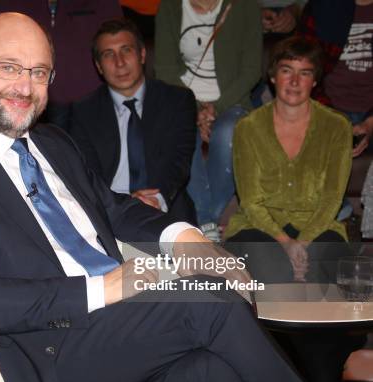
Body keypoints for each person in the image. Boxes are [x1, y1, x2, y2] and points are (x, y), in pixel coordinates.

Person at [0, 13, 320, 382]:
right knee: (210, 299)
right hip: (47, 352)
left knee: (214, 376)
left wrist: (183, 237)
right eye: (8, 66)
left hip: (116, 330)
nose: (25, 86)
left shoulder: (55, 143)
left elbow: (112, 208)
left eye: (39, 72)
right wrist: (103, 289)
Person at [225, 37, 351, 284]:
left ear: (314, 80)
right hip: (259, 226)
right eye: (286, 71)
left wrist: (302, 243)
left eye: (304, 73)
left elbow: (332, 198)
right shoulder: (248, 128)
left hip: (318, 224)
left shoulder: (337, 126)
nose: (294, 82)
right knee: (271, 268)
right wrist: (286, 244)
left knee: (321, 267)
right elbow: (250, 201)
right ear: (273, 76)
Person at [70, 19, 197, 223]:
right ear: (99, 66)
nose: (119, 62)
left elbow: (178, 162)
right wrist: (125, 203)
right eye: (108, 54)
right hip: (112, 211)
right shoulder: (83, 112)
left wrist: (156, 199)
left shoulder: (177, 100)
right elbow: (88, 174)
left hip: (165, 205)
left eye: (126, 50)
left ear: (143, 55)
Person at [155, 0, 262, 241]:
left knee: (228, 131)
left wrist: (215, 110)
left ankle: (204, 218)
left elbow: (252, 69)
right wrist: (194, 109)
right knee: (180, 134)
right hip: (182, 100)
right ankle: (206, 221)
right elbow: (164, 68)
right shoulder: (170, 8)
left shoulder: (245, 6)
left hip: (232, 101)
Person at [0, 0, 123, 129]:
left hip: (93, 100)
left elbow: (119, 38)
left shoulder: (102, 4)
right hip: (33, 99)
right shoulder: (13, 5)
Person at [299, 0, 373, 158]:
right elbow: (302, 74)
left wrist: (370, 123)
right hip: (326, 106)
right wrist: (333, 118)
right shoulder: (322, 8)